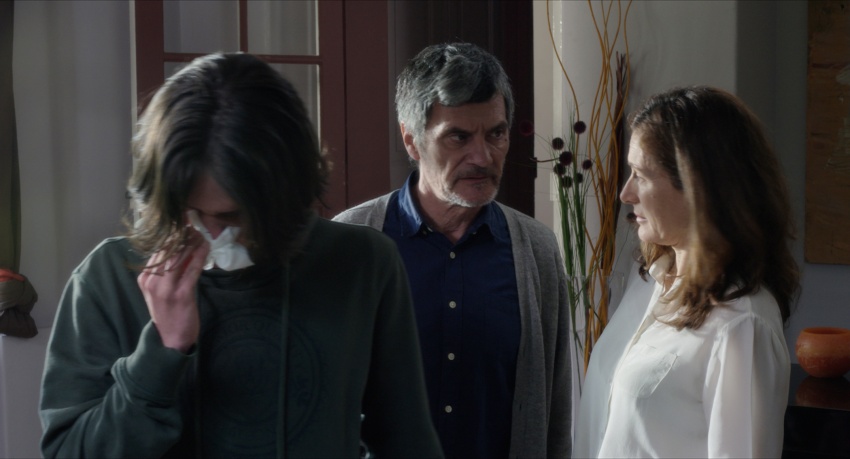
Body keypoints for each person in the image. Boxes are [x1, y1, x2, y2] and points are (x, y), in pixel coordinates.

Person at [39, 52, 443, 459]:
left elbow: (407, 441)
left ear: (287, 191)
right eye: (189, 211)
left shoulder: (363, 262)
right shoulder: (108, 276)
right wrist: (161, 351)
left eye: (231, 216)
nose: (210, 232)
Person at [334, 42, 572, 459]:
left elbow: (554, 417)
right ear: (412, 141)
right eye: (458, 137)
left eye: (496, 134)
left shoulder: (537, 250)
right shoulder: (350, 242)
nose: (482, 157)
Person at [573, 86, 799, 458]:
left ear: (700, 186)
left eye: (641, 175)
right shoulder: (649, 284)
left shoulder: (743, 324)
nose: (626, 194)